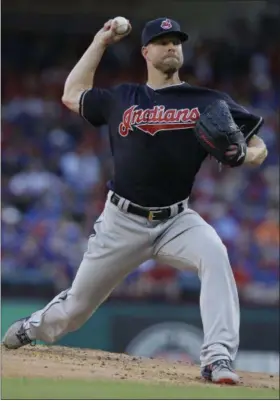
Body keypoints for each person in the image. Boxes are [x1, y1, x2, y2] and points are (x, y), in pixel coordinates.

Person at [3, 17, 268, 384]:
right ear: (146, 52)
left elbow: (257, 143)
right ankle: (33, 327)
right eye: (162, 41)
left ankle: (218, 359)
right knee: (76, 310)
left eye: (176, 41)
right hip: (121, 221)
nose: (171, 46)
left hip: (177, 220)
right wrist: (100, 41)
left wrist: (248, 155)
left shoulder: (208, 101)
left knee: (215, 255)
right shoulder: (122, 97)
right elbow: (71, 93)